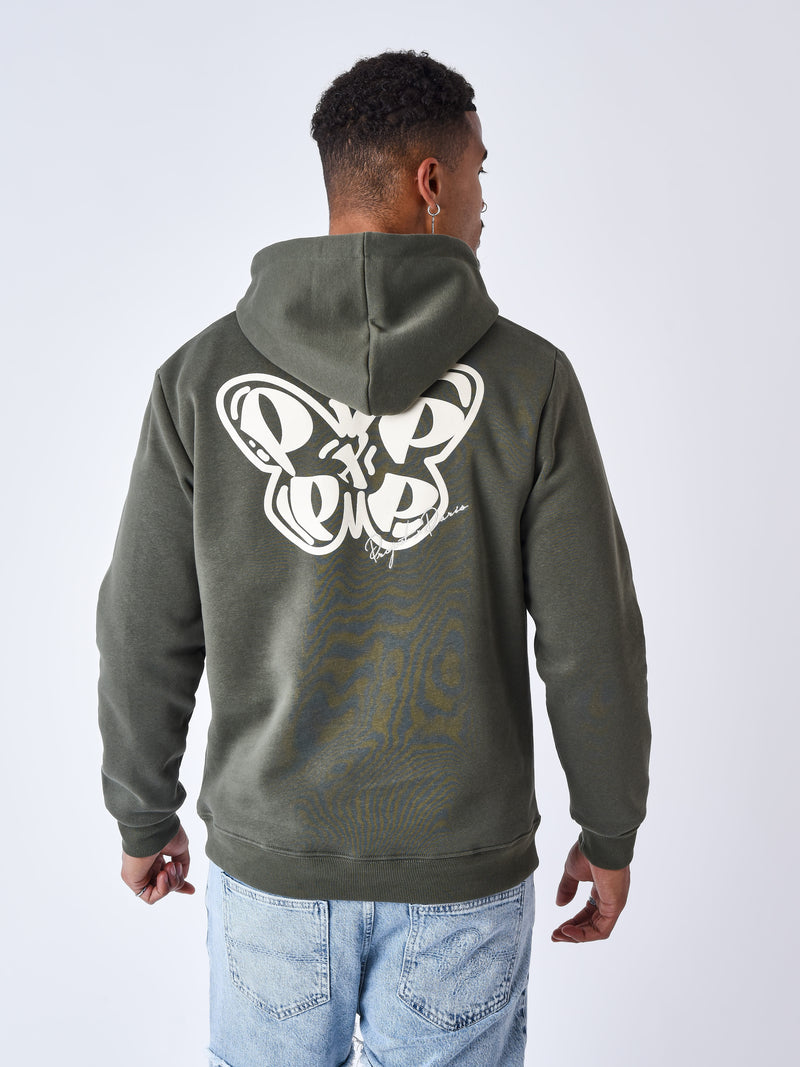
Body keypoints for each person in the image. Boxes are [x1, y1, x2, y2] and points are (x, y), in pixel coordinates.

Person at [97, 49, 650, 1067]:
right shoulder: (530, 383)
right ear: (431, 181)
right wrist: (608, 830)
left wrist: (143, 811)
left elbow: (143, 627)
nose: (485, 201)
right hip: (461, 877)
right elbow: (590, 641)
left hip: (271, 870)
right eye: (478, 171)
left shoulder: (198, 378)